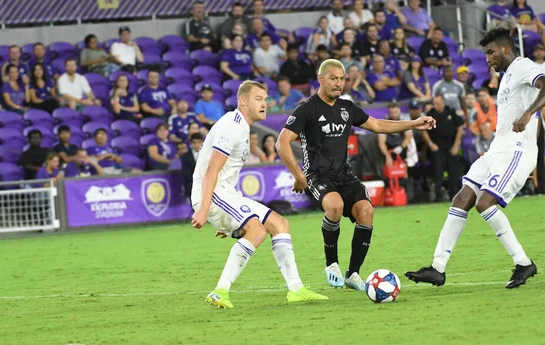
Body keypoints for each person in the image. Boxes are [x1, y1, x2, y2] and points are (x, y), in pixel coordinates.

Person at [405, 27, 545, 289]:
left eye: (491, 52)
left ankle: (523, 262)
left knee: (484, 203)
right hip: (498, 150)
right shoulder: (507, 77)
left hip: (516, 150)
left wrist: (528, 120)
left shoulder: (522, 66)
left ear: (506, 49)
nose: (488, 58)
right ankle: (437, 268)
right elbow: (536, 116)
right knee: (462, 198)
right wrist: (530, 123)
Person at [276, 59, 435, 290]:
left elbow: (378, 125)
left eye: (342, 79)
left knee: (366, 211)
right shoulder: (306, 108)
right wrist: (299, 176)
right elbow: (282, 143)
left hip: (344, 174)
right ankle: (332, 265)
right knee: (335, 206)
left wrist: (413, 124)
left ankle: (353, 274)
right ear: (320, 79)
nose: (338, 83)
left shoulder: (347, 108)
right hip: (317, 175)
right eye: (333, 78)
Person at [191, 80, 328, 308]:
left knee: (280, 224)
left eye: (265, 99)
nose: (264, 104)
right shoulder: (232, 125)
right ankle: (220, 291)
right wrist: (205, 209)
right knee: (256, 231)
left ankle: (296, 289)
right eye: (258, 99)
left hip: (225, 195)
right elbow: (211, 170)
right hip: (213, 193)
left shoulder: (242, 126)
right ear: (243, 101)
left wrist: (227, 219)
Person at [423, 95, 464, 201]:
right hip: (437, 146)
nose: (435, 106)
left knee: (453, 170)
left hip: (451, 145)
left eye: (438, 103)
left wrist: (456, 145)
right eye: (434, 103)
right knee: (437, 170)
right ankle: (438, 195)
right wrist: (431, 144)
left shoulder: (451, 112)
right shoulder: (430, 114)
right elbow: (423, 129)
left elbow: (460, 126)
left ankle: (454, 194)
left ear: (443, 102)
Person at [181, 133, 203, 198]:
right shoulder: (185, 156)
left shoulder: (208, 155)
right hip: (192, 187)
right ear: (191, 143)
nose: (197, 145)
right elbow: (186, 173)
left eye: (199, 142)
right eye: (194, 143)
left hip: (207, 185)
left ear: (202, 142)